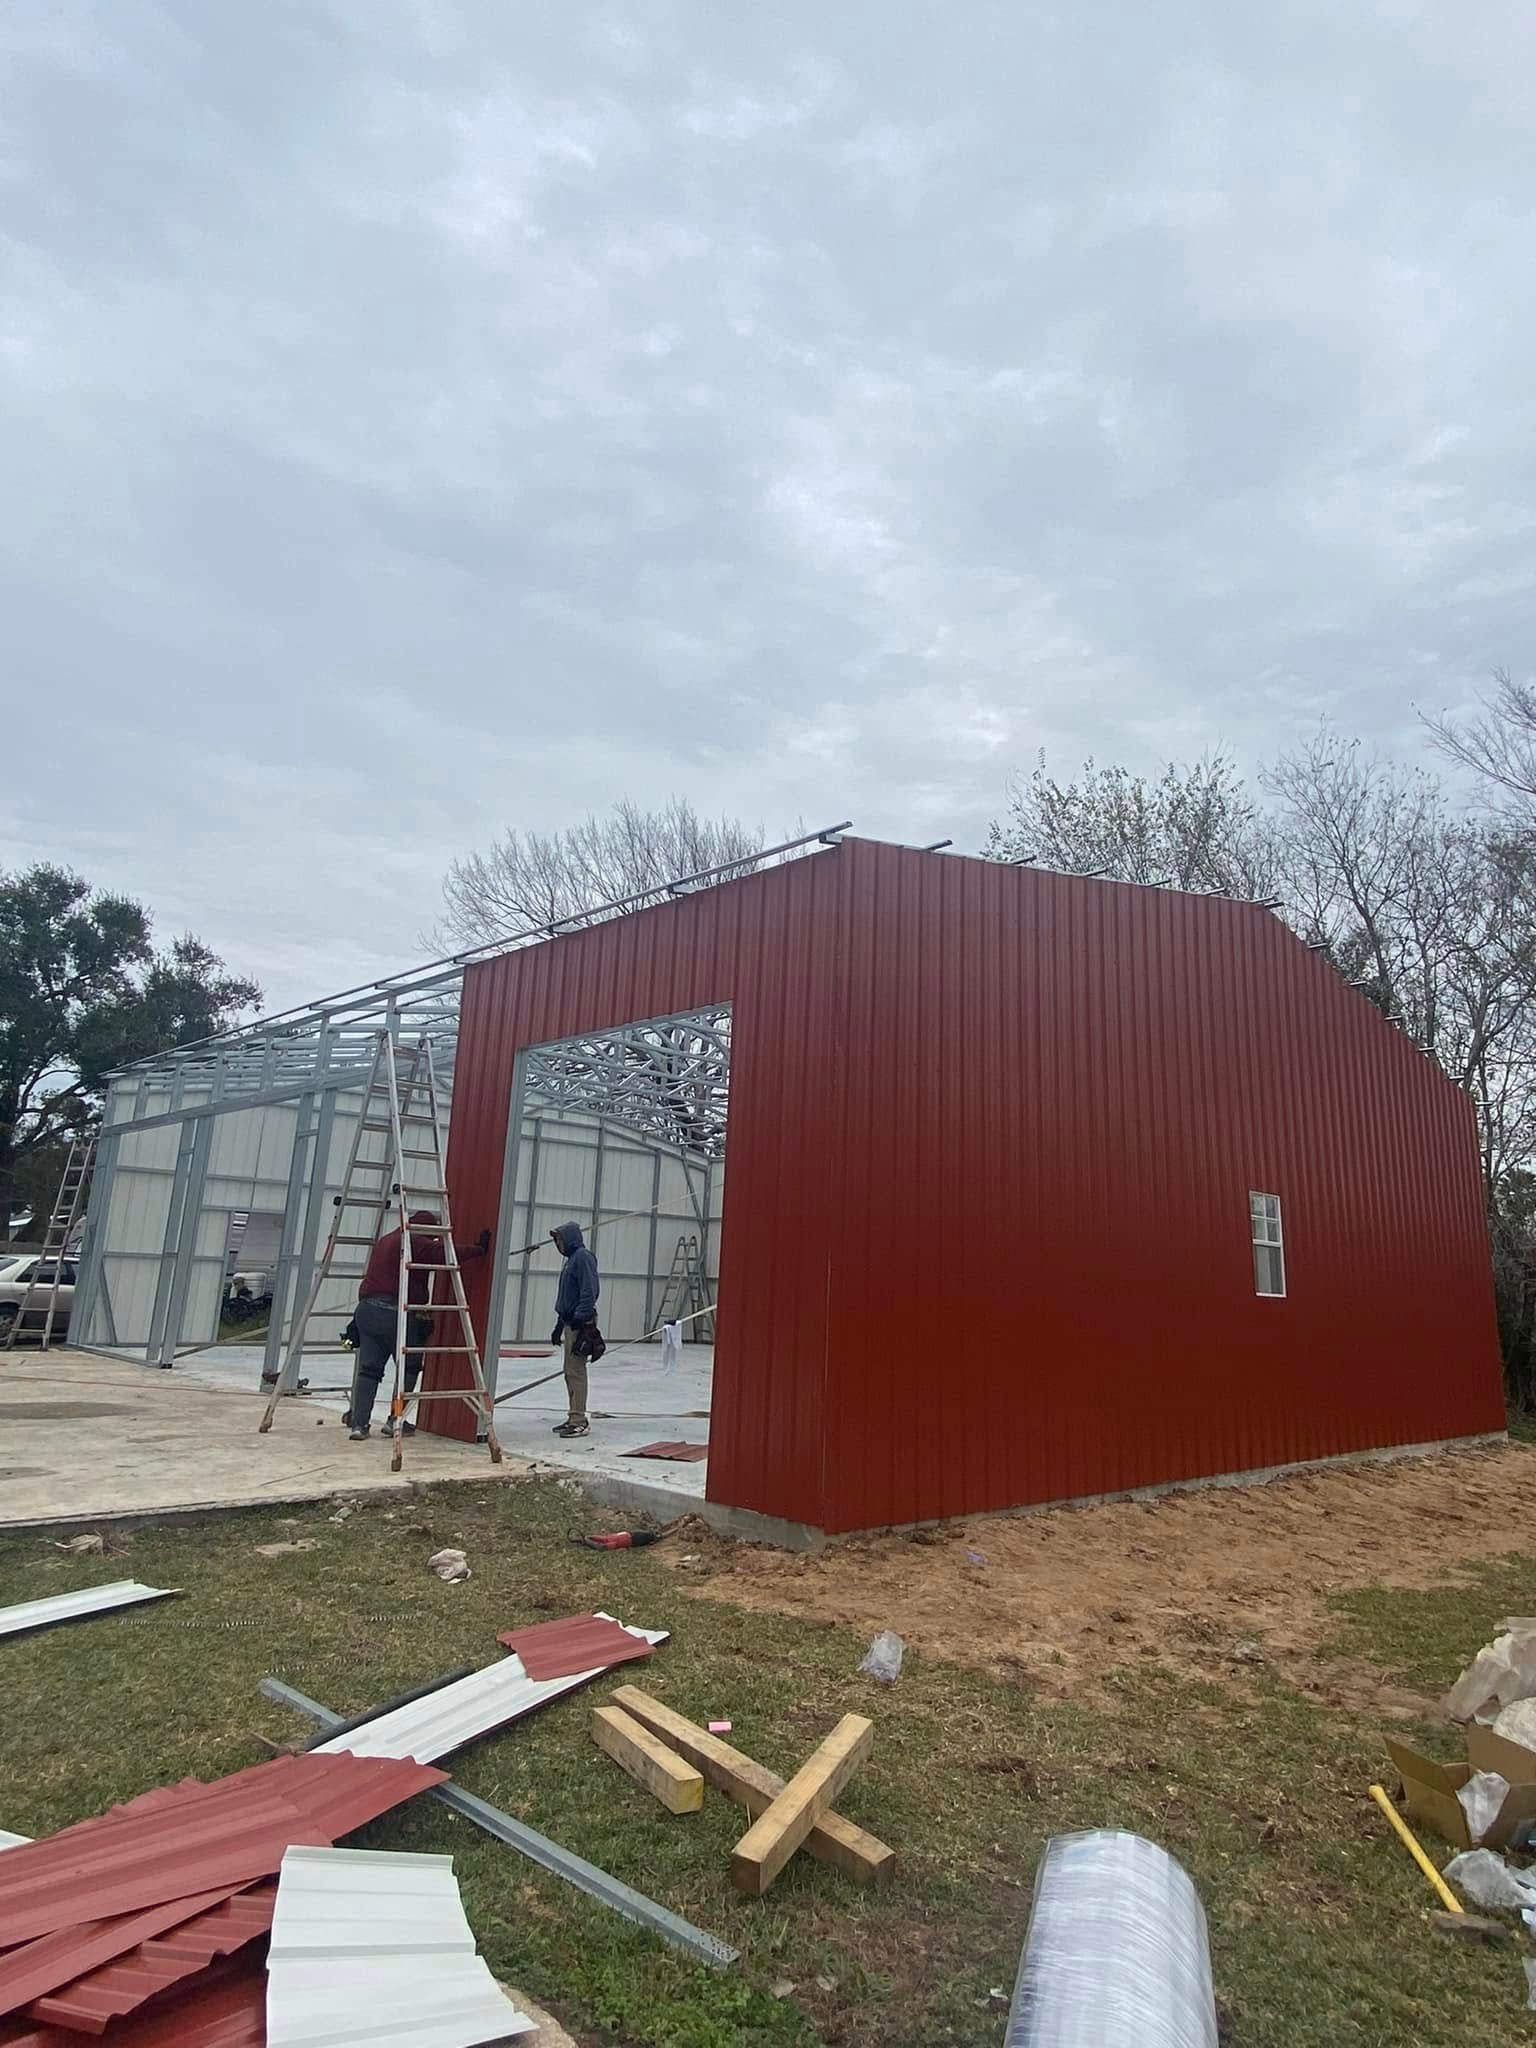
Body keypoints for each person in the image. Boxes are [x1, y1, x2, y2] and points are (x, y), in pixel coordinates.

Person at [347, 1210, 490, 1441]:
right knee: (409, 1367)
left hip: (367, 1311)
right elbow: (445, 1254)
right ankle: (395, 1420)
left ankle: (359, 1425)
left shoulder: (387, 1239)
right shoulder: (414, 1240)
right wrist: (478, 1250)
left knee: (369, 1370)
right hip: (395, 1313)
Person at [549, 1219, 600, 1439]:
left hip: (581, 1323)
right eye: (556, 1241)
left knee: (576, 1372)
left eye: (560, 1240)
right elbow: (566, 1296)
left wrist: (580, 1318)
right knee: (570, 1372)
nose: (558, 1245)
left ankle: (579, 1420)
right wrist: (559, 1325)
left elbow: (590, 1290)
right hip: (570, 1322)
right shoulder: (570, 1260)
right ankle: (573, 1415)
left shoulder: (582, 1258)